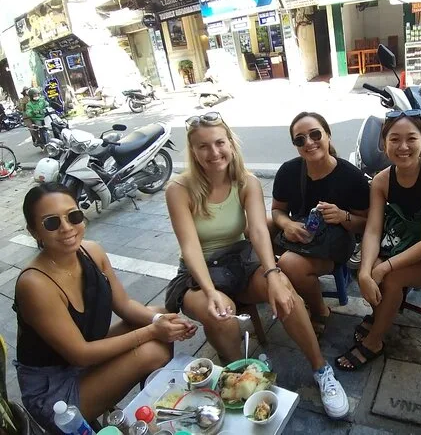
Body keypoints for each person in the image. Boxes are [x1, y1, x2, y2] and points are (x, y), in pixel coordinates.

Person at [164, 111, 350, 419]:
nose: (214, 152)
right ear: (193, 151)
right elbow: (190, 247)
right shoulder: (178, 189)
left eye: (219, 143)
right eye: (203, 146)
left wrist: (273, 273)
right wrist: (210, 291)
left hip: (240, 259)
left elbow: (259, 232)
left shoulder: (246, 182)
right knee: (221, 314)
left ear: (230, 143)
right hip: (199, 272)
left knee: (284, 291)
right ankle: (239, 378)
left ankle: (322, 370)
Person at [13, 182, 197, 432]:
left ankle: (152, 406)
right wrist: (153, 331)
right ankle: (153, 416)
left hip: (81, 358)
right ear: (34, 231)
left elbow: (125, 305)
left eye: (73, 216)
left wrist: (159, 323)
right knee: (153, 350)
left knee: (160, 315)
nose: (67, 228)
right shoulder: (35, 284)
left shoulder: (92, 252)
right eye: (51, 222)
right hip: (55, 391)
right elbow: (81, 354)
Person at [336, 110, 421, 371]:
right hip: (399, 242)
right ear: (384, 144)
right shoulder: (382, 180)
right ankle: (381, 314)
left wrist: (384, 267)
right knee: (369, 269)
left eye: (411, 138)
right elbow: (372, 230)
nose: (403, 147)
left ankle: (374, 342)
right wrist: (366, 271)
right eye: (394, 139)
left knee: (390, 277)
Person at [272, 112, 369, 337]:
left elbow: (367, 225)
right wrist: (287, 224)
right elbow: (277, 210)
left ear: (328, 135)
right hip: (302, 230)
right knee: (255, 228)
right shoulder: (289, 171)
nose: (309, 142)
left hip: (336, 242)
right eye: (300, 139)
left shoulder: (351, 176)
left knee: (289, 263)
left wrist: (343, 216)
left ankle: (319, 310)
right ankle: (275, 283)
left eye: (315, 134)